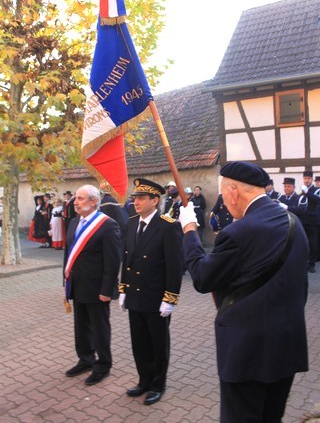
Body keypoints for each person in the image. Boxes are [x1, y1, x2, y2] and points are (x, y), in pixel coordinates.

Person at [179, 161, 309, 423]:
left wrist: (189, 230)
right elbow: (301, 286)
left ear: (234, 192)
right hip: (287, 346)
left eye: (224, 195)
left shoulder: (238, 232)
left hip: (247, 355)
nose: (224, 203)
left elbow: (203, 278)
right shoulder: (293, 221)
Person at [119, 178, 183, 405]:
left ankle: (158, 384)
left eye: (141, 198)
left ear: (155, 200)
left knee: (158, 343)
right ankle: (144, 380)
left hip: (156, 298)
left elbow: (175, 266)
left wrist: (170, 298)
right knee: (139, 342)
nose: (136, 202)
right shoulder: (131, 222)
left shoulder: (168, 225)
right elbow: (126, 258)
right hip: (135, 296)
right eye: (135, 198)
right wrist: (123, 288)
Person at [63, 184, 122, 386]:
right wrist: (66, 281)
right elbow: (68, 254)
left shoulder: (107, 225)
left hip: (98, 289)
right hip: (78, 285)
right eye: (76, 198)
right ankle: (85, 359)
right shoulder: (73, 223)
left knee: (99, 328)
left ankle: (103, 365)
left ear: (93, 201)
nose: (75, 202)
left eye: (80, 199)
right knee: (81, 327)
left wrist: (107, 290)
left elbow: (113, 261)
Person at [299, 170, 320, 273]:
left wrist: (307, 192)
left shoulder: (316, 190)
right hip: (303, 219)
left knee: (313, 242)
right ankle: (303, 261)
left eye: (308, 178)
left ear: (312, 179)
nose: (306, 180)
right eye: (305, 178)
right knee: (302, 241)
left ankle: (311, 264)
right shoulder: (301, 190)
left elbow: (317, 200)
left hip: (313, 220)